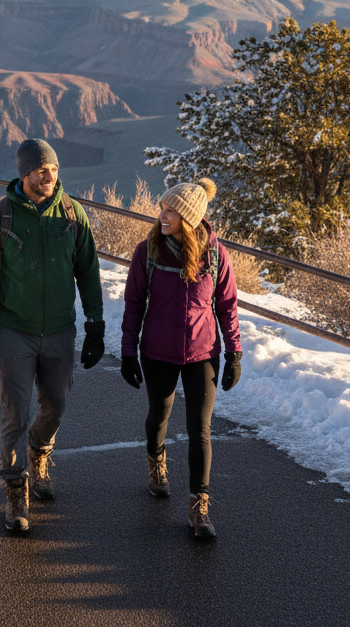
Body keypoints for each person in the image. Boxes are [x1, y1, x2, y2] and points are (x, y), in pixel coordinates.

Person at [0, 138, 104, 532]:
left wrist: (96, 324)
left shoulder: (72, 214)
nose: (50, 176)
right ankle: (15, 491)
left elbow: (89, 273)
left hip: (61, 330)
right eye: (42, 169)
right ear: (24, 173)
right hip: (15, 331)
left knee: (56, 405)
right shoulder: (1, 218)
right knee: (15, 413)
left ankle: (39, 452)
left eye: (54, 169)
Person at [120, 177, 241, 540]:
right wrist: (128, 350)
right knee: (159, 414)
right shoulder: (148, 252)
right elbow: (133, 304)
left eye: (170, 211)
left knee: (200, 430)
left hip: (202, 354)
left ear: (188, 219)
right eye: (162, 208)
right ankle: (156, 460)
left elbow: (227, 306)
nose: (162, 215)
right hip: (158, 352)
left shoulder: (216, 255)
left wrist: (234, 352)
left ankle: (198, 505)